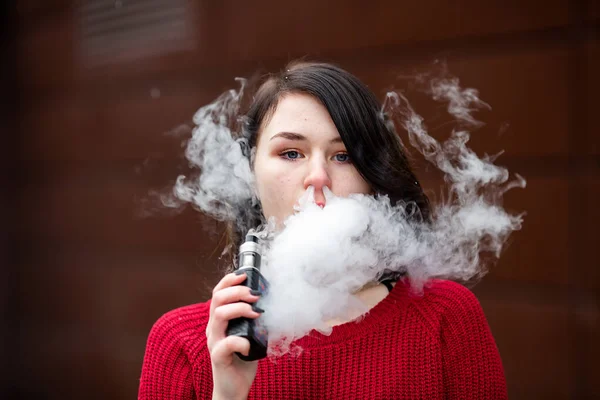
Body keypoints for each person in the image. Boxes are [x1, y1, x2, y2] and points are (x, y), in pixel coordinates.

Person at [138, 61, 508, 399]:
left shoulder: (444, 317)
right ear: (249, 174)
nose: (318, 177)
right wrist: (227, 394)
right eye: (291, 153)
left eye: (343, 156)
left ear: (373, 178)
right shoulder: (182, 343)